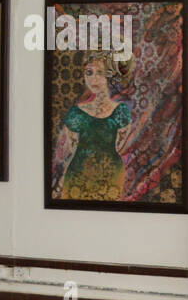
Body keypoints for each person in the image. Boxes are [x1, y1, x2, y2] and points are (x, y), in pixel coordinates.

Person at [52, 52, 132, 201]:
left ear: (110, 76)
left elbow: (119, 146)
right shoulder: (76, 113)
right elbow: (70, 151)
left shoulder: (121, 112)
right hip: (77, 178)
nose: (94, 79)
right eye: (89, 72)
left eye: (100, 73)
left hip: (111, 177)